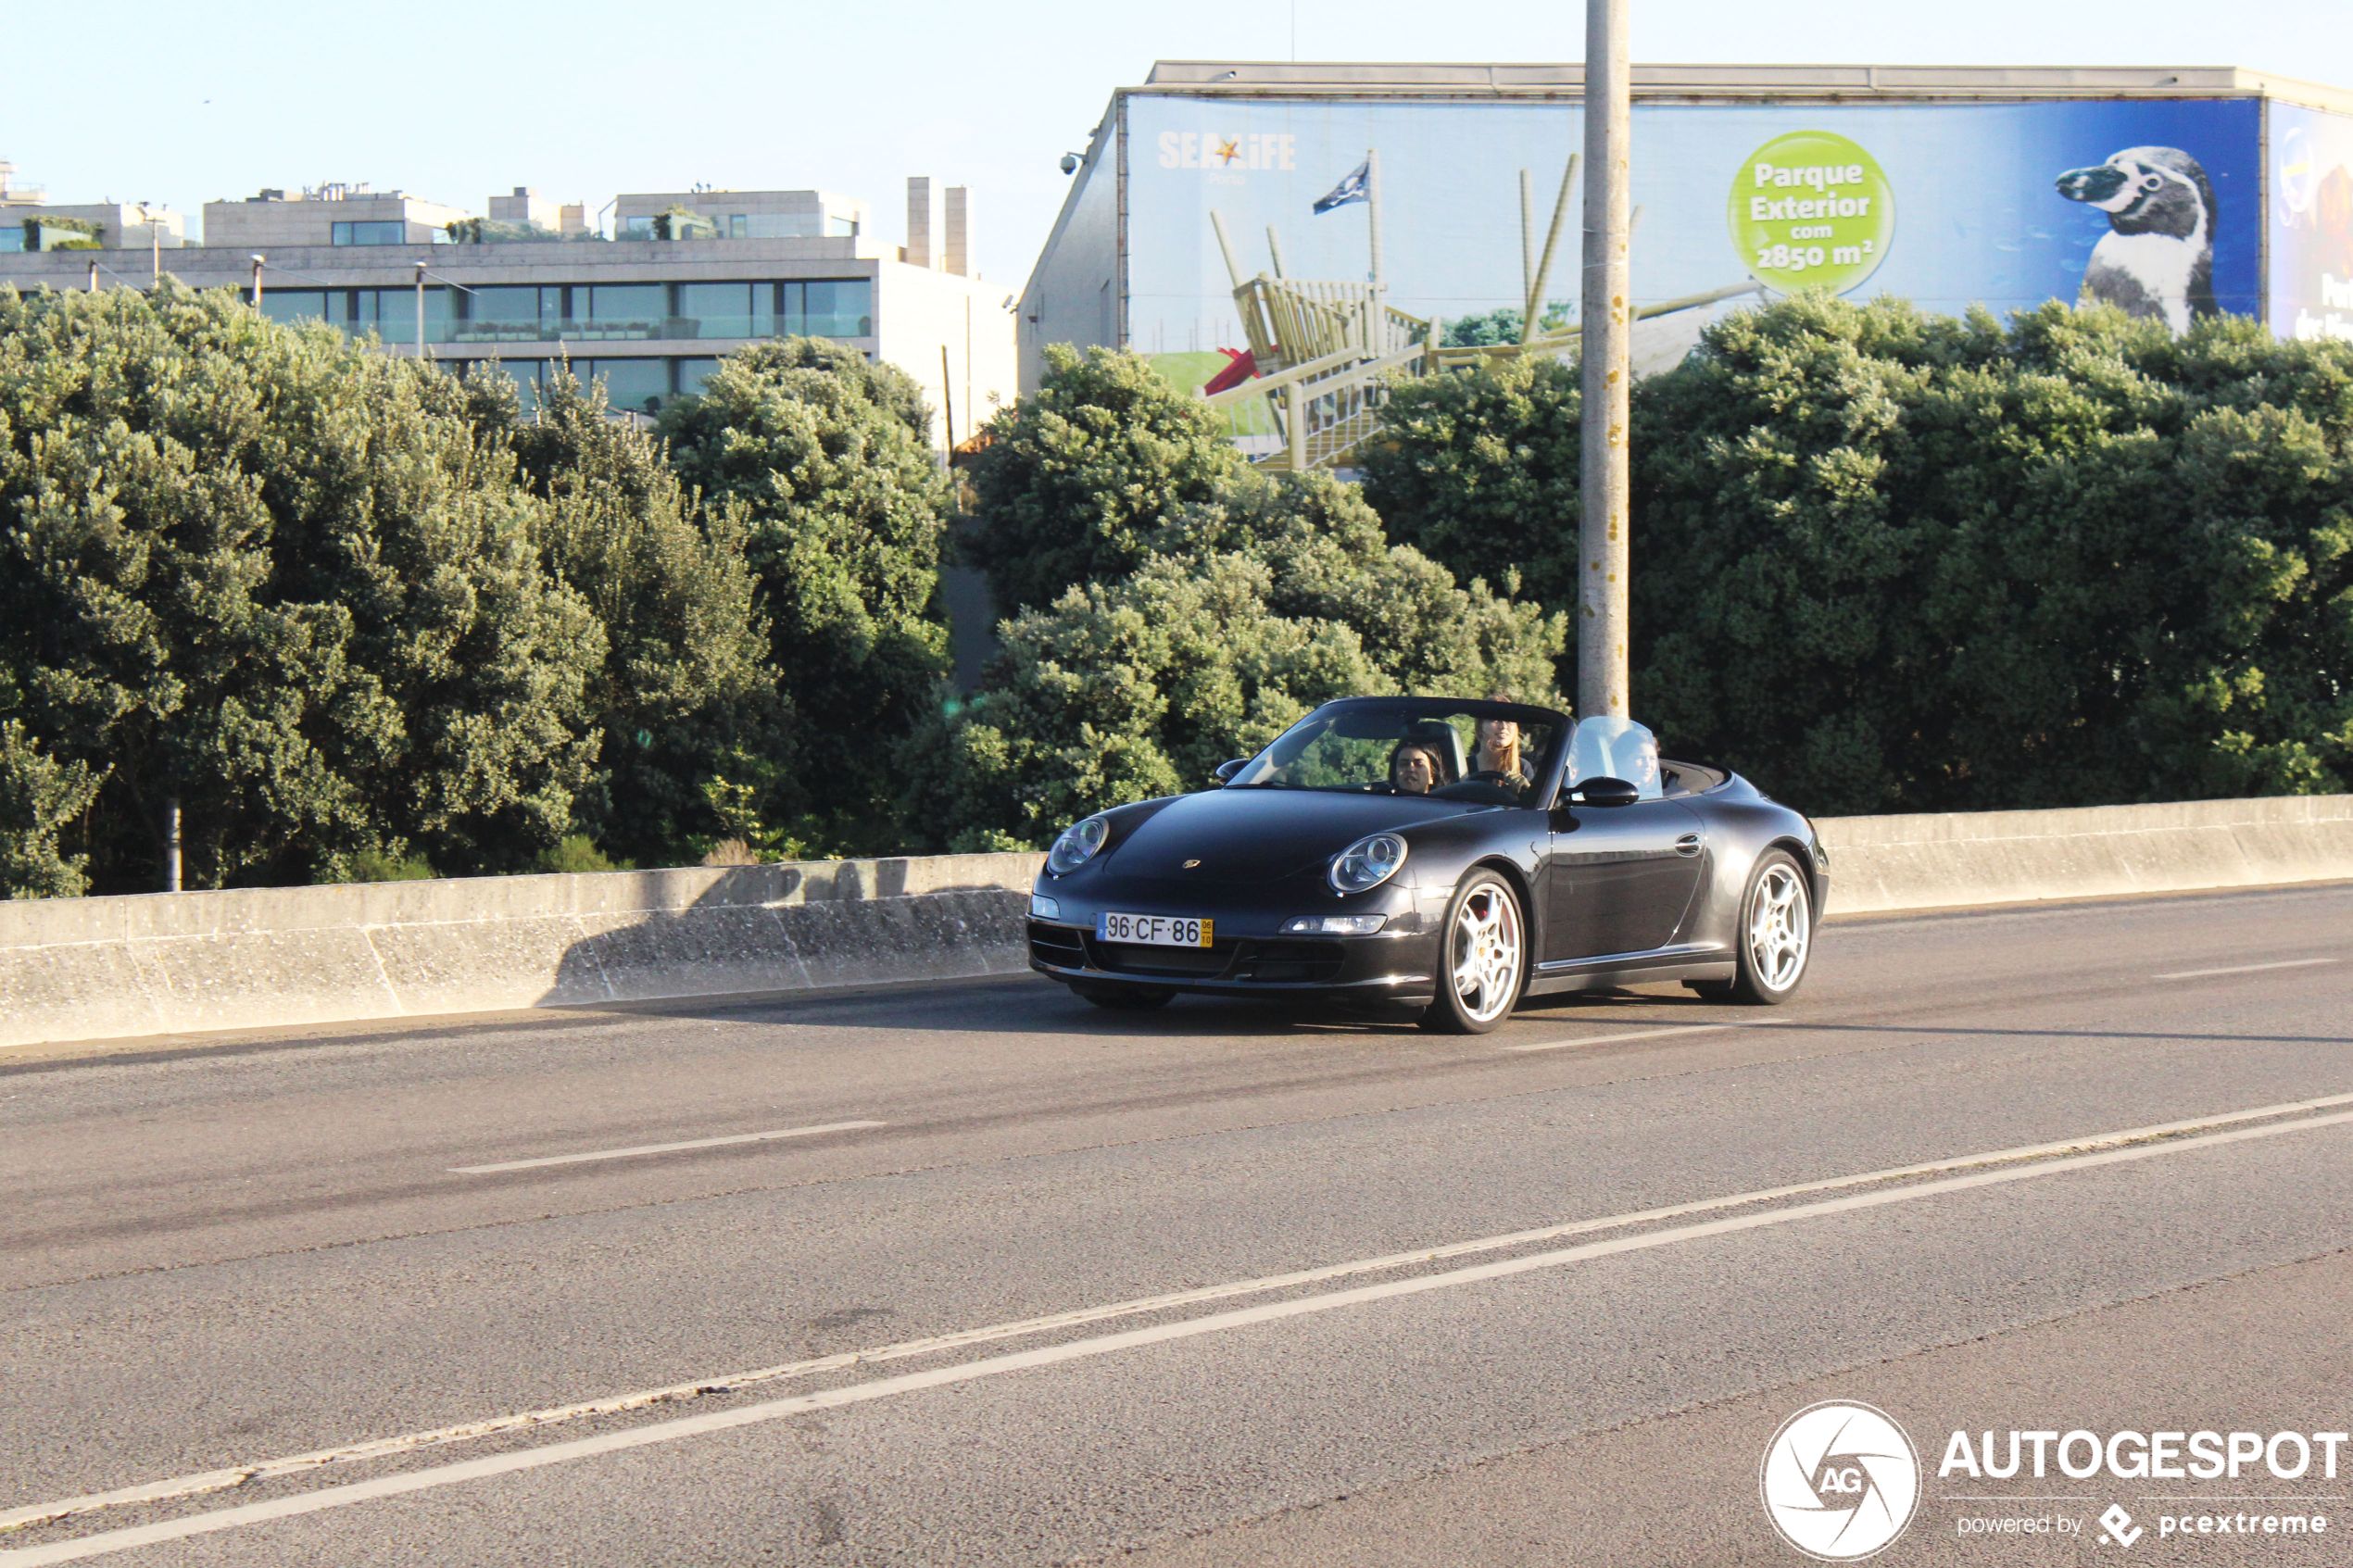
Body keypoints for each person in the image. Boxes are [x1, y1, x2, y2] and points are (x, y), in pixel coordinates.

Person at [1473, 694, 1532, 791]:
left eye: (1510, 720)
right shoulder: (1462, 766)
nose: (1503, 726)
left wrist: (1526, 790)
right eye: (1495, 719)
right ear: (1479, 727)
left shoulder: (1524, 767)